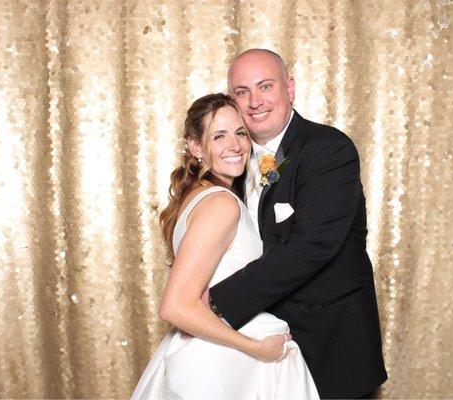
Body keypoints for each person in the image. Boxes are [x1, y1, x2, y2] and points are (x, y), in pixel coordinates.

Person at [207, 49, 388, 399]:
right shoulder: (232, 161)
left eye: (265, 86)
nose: (254, 101)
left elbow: (312, 246)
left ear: (289, 87)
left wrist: (216, 302)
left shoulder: (329, 150)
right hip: (262, 349)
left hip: (331, 348)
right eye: (242, 92)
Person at [131, 93, 319, 399]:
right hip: (218, 369)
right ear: (195, 147)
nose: (235, 146)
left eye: (240, 133)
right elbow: (175, 305)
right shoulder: (221, 204)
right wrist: (256, 348)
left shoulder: (198, 196)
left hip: (215, 360)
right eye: (219, 136)